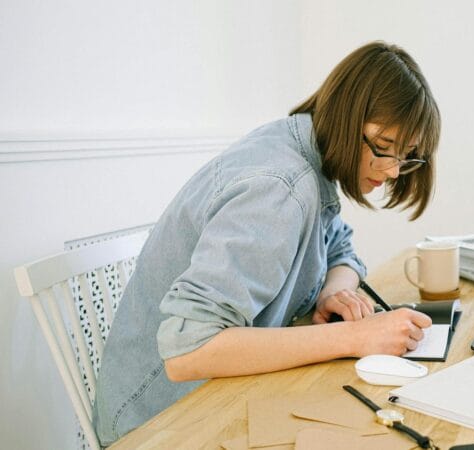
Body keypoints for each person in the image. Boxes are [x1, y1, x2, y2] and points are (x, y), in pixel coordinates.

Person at [93, 41, 441, 446]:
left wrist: (337, 292)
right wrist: (356, 337)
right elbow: (188, 349)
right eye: (384, 148)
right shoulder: (279, 187)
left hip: (221, 393)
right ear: (349, 116)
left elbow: (340, 247)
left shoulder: (306, 152)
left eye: (406, 157)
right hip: (160, 422)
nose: (394, 171)